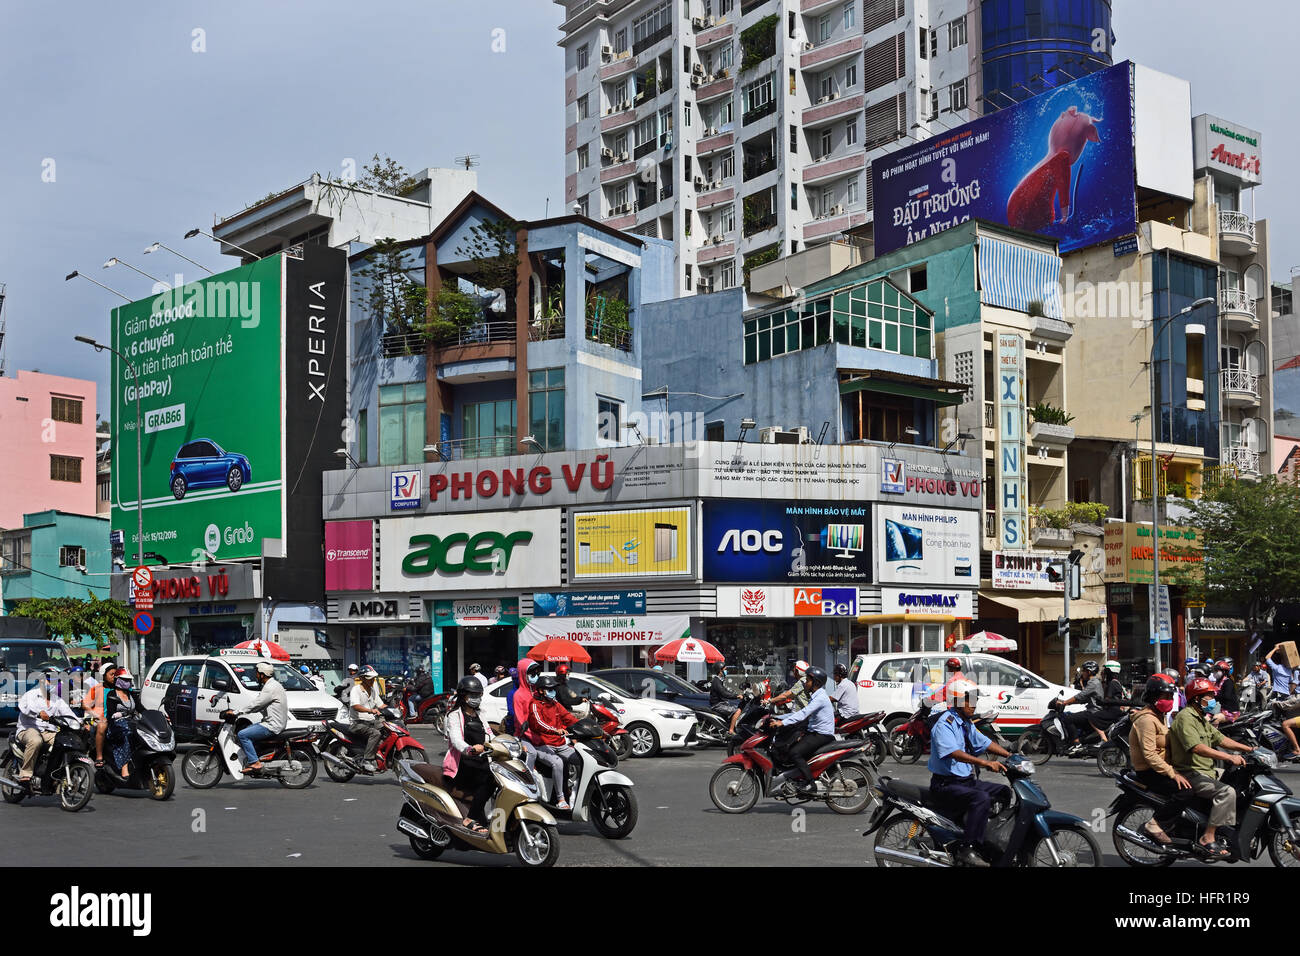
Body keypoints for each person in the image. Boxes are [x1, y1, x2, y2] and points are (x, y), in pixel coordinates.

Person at [926, 679, 1015, 867]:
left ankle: (986, 837)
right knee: (981, 798)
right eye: (969, 700)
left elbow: (983, 742)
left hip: (964, 782)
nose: (973, 705)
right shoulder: (945, 723)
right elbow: (953, 753)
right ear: (957, 701)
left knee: (1003, 792)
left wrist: (1011, 755)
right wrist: (985, 762)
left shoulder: (966, 723)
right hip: (946, 785)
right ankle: (967, 849)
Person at [1168, 676, 1255, 858]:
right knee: (1227, 793)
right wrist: (1229, 757)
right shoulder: (1186, 718)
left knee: (1240, 780)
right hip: (1191, 772)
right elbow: (1197, 747)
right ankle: (1208, 837)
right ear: (1196, 699)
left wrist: (1249, 748)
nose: (1213, 700)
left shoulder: (1200, 718)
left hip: (1207, 770)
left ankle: (1222, 824)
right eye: (1208, 696)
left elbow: (1221, 739)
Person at [1127, 674, 1191, 845]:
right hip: (1149, 771)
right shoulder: (1146, 720)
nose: (1170, 700)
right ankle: (1155, 825)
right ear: (1154, 696)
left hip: (1162, 766)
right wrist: (1173, 773)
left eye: (1171, 696)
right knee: (1185, 790)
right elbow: (1150, 755)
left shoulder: (1160, 715)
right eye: (1166, 697)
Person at [766, 665, 835, 794]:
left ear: (816, 683)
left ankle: (810, 783)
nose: (806, 683)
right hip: (814, 731)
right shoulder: (816, 695)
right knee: (790, 744)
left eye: (808, 680)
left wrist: (782, 723)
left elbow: (803, 713)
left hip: (822, 735)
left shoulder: (819, 698)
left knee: (794, 753)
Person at [442, 676, 495, 833]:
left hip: (480, 760)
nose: (476, 699)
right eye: (472, 695)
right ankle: (470, 818)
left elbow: (490, 734)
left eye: (478, 695)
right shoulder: (454, 715)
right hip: (462, 763)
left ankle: (494, 818)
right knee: (489, 779)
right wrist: (470, 749)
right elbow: (456, 740)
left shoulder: (480, 714)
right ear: (463, 696)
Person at [14, 670, 77, 783]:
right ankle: (25, 773)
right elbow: (24, 707)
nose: (51, 682)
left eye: (54, 680)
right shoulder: (31, 695)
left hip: (48, 732)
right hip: (28, 729)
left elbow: (68, 714)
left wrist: (82, 722)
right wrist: (39, 713)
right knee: (36, 740)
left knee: (66, 742)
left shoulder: (57, 700)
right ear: (41, 680)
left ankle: (55, 772)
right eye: (49, 679)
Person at [528, 674, 579, 810]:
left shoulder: (555, 704)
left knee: (581, 758)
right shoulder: (535, 705)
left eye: (553, 689)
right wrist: (555, 730)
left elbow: (568, 718)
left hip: (561, 744)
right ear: (540, 691)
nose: (553, 691)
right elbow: (538, 723)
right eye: (549, 689)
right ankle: (560, 799)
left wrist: (586, 726)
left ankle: (576, 792)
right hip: (543, 745)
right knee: (558, 763)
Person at [230, 661, 289, 774]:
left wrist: (237, 712)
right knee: (249, 728)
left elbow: (257, 704)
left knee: (242, 735)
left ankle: (254, 762)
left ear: (262, 674)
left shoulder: (270, 688)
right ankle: (258, 756)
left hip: (272, 725)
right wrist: (243, 711)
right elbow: (259, 705)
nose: (256, 675)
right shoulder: (274, 685)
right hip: (274, 722)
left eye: (257, 673)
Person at [1057, 660, 1106, 749]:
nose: (1082, 673)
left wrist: (1064, 702)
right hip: (1093, 711)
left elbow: (1080, 696)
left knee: (1068, 718)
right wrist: (1068, 704)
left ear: (1089, 671)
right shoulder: (1095, 682)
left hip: (1093, 712)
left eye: (1084, 671)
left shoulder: (1093, 683)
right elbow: (1083, 699)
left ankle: (1076, 743)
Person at [348, 665, 386, 772]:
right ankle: (367, 759)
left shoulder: (373, 690)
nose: (372, 680)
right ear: (363, 678)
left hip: (370, 721)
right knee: (376, 733)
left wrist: (394, 710)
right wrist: (370, 710)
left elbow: (381, 705)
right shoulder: (356, 690)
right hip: (356, 723)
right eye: (370, 678)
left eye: (373, 678)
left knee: (386, 728)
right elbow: (355, 706)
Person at [103, 667, 139, 778]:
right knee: (126, 735)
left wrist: (154, 713)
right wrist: (117, 715)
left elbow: (141, 708)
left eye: (129, 680)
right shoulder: (112, 694)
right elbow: (110, 713)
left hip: (131, 722)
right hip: (116, 725)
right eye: (125, 680)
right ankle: (124, 767)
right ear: (118, 680)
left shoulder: (131, 694)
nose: (128, 682)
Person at [85, 662, 114, 768]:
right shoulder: (97, 688)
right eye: (111, 674)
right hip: (99, 719)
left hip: (116, 719)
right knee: (102, 725)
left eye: (115, 674)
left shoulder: (119, 688)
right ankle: (99, 757)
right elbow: (85, 704)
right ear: (104, 675)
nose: (114, 677)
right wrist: (95, 717)